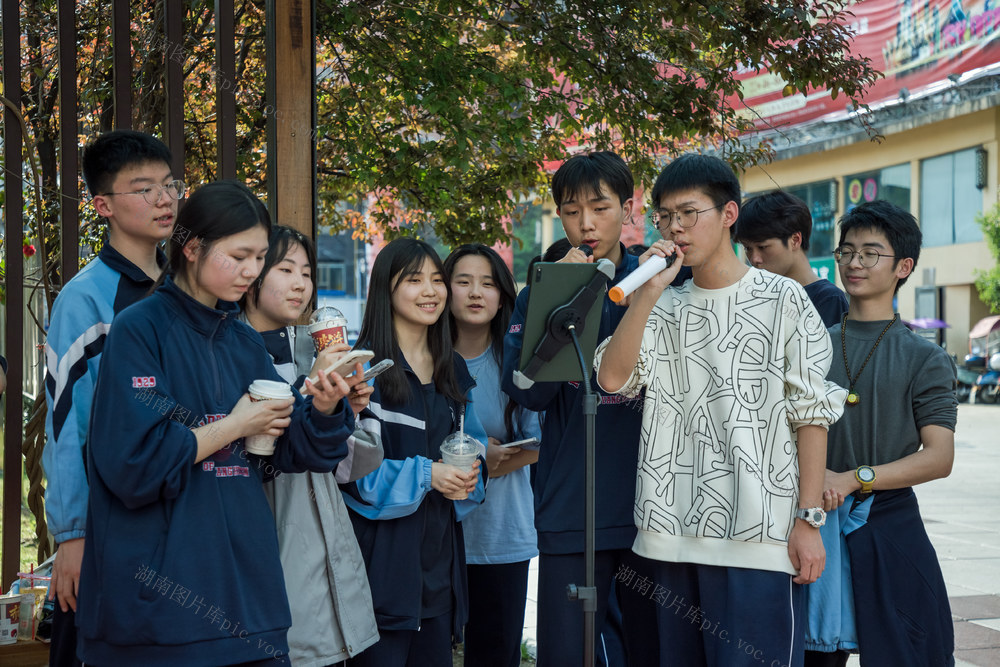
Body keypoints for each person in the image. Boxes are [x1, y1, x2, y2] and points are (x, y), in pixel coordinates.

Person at [76, 180, 358, 666]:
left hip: (250, 603)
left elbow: (295, 451)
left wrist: (327, 404)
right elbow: (132, 467)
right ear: (191, 247)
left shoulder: (243, 342)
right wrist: (232, 426)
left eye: (259, 257)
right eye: (240, 255)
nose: (253, 271)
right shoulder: (139, 329)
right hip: (159, 613)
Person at [595, 153, 846, 667]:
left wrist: (809, 520)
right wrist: (647, 296)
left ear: (729, 213)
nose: (676, 228)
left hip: (761, 539)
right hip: (666, 540)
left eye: (689, 213)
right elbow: (611, 381)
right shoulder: (660, 304)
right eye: (665, 216)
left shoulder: (783, 299)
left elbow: (812, 414)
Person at [501, 151, 691, 666]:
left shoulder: (661, 280)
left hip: (652, 503)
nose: (586, 223)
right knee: (568, 653)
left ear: (629, 207)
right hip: (572, 502)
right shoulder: (543, 285)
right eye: (570, 210)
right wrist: (555, 298)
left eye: (600, 207)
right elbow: (529, 392)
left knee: (651, 649)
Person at [41, 130, 181, 667]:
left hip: (183, 509)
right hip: (112, 520)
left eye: (170, 185)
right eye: (144, 189)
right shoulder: (85, 298)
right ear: (103, 206)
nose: (164, 199)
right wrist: (71, 535)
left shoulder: (188, 284)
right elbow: (65, 425)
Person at [806, 201, 956, 667]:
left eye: (871, 253)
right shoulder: (808, 343)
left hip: (888, 520)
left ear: (903, 267)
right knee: (805, 655)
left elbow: (938, 458)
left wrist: (853, 478)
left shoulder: (924, 357)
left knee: (912, 648)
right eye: (847, 250)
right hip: (809, 523)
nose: (854, 263)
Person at [342, 238, 487, 666]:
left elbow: (472, 445)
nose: (431, 291)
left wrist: (471, 473)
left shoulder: (453, 369)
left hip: (439, 571)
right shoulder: (361, 370)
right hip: (378, 573)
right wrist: (429, 475)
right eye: (414, 280)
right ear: (386, 288)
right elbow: (352, 473)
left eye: (437, 280)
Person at [242, 225, 382, 664]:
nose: (301, 283)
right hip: (266, 540)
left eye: (307, 271)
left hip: (323, 542)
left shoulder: (312, 347)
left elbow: (350, 467)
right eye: (285, 269)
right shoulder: (230, 350)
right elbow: (262, 455)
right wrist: (310, 393)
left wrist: (348, 409)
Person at [444, 244, 541, 667]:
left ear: (503, 294)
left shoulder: (516, 362)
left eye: (487, 283)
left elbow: (539, 442)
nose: (475, 292)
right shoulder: (426, 360)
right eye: (463, 282)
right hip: (438, 536)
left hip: (502, 534)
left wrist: (492, 464)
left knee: (495, 656)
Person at [734, 190, 849, 327]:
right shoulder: (754, 296)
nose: (754, 259)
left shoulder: (828, 299)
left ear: (795, 240)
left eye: (763, 247)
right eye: (747, 248)